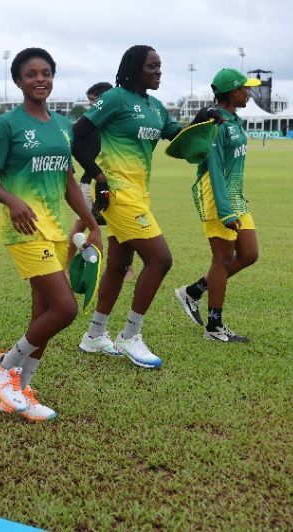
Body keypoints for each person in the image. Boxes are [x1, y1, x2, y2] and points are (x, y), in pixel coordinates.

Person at [0, 48, 102, 421]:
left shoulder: (64, 126)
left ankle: (18, 393)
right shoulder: (6, 125)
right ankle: (4, 365)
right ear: (18, 81)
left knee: (43, 314)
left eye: (46, 73)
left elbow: (67, 180)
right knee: (64, 309)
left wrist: (91, 222)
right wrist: (13, 202)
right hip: (24, 229)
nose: (40, 79)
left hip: (54, 230)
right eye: (31, 74)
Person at [72, 45, 181, 368]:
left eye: (160, 66)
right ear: (135, 68)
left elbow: (179, 137)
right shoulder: (116, 98)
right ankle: (130, 335)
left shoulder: (156, 107)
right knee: (160, 260)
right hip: (116, 193)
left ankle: (94, 335)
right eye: (152, 66)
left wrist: (207, 120)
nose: (158, 71)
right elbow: (77, 135)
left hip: (139, 193)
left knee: (119, 265)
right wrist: (98, 175)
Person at [174, 69, 260, 342]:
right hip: (216, 195)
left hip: (234, 195)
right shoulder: (218, 123)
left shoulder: (233, 119)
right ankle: (214, 327)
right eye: (245, 89)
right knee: (222, 260)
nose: (248, 93)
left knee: (249, 254)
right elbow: (212, 167)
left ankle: (194, 291)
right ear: (233, 92)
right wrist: (225, 210)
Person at [66, 82, 136, 281]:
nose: (91, 107)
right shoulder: (88, 124)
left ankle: (127, 267)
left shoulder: (118, 124)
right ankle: (66, 266)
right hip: (90, 184)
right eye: (90, 103)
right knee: (82, 224)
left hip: (117, 184)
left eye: (94, 102)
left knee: (123, 226)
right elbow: (70, 142)